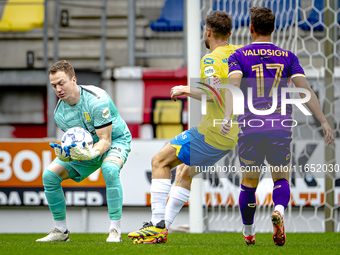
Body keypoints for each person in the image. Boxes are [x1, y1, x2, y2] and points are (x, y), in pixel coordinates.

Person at [220, 7, 334, 246]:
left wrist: (227, 116)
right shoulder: (288, 56)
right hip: (279, 127)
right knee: (281, 177)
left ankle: (249, 232)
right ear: (273, 29)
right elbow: (305, 91)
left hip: (250, 127)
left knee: (249, 182)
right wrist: (324, 121)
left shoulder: (239, 56)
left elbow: (232, 86)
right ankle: (279, 211)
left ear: (251, 28)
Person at [128, 11, 241, 244]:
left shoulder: (211, 59)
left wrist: (185, 89)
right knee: (184, 171)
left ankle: (156, 223)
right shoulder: (238, 53)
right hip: (231, 135)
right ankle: (163, 229)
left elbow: (214, 95)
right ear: (230, 33)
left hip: (211, 132)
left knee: (159, 161)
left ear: (207, 32)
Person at [36, 60, 131, 242]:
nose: (58, 89)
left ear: (74, 80)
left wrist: (92, 153)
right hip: (89, 149)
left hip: (115, 140)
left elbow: (105, 139)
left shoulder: (97, 100)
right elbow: (79, 141)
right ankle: (61, 231)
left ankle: (114, 230)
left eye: (61, 83)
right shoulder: (59, 114)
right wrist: (67, 153)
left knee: (109, 169)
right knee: (49, 176)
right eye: (54, 85)